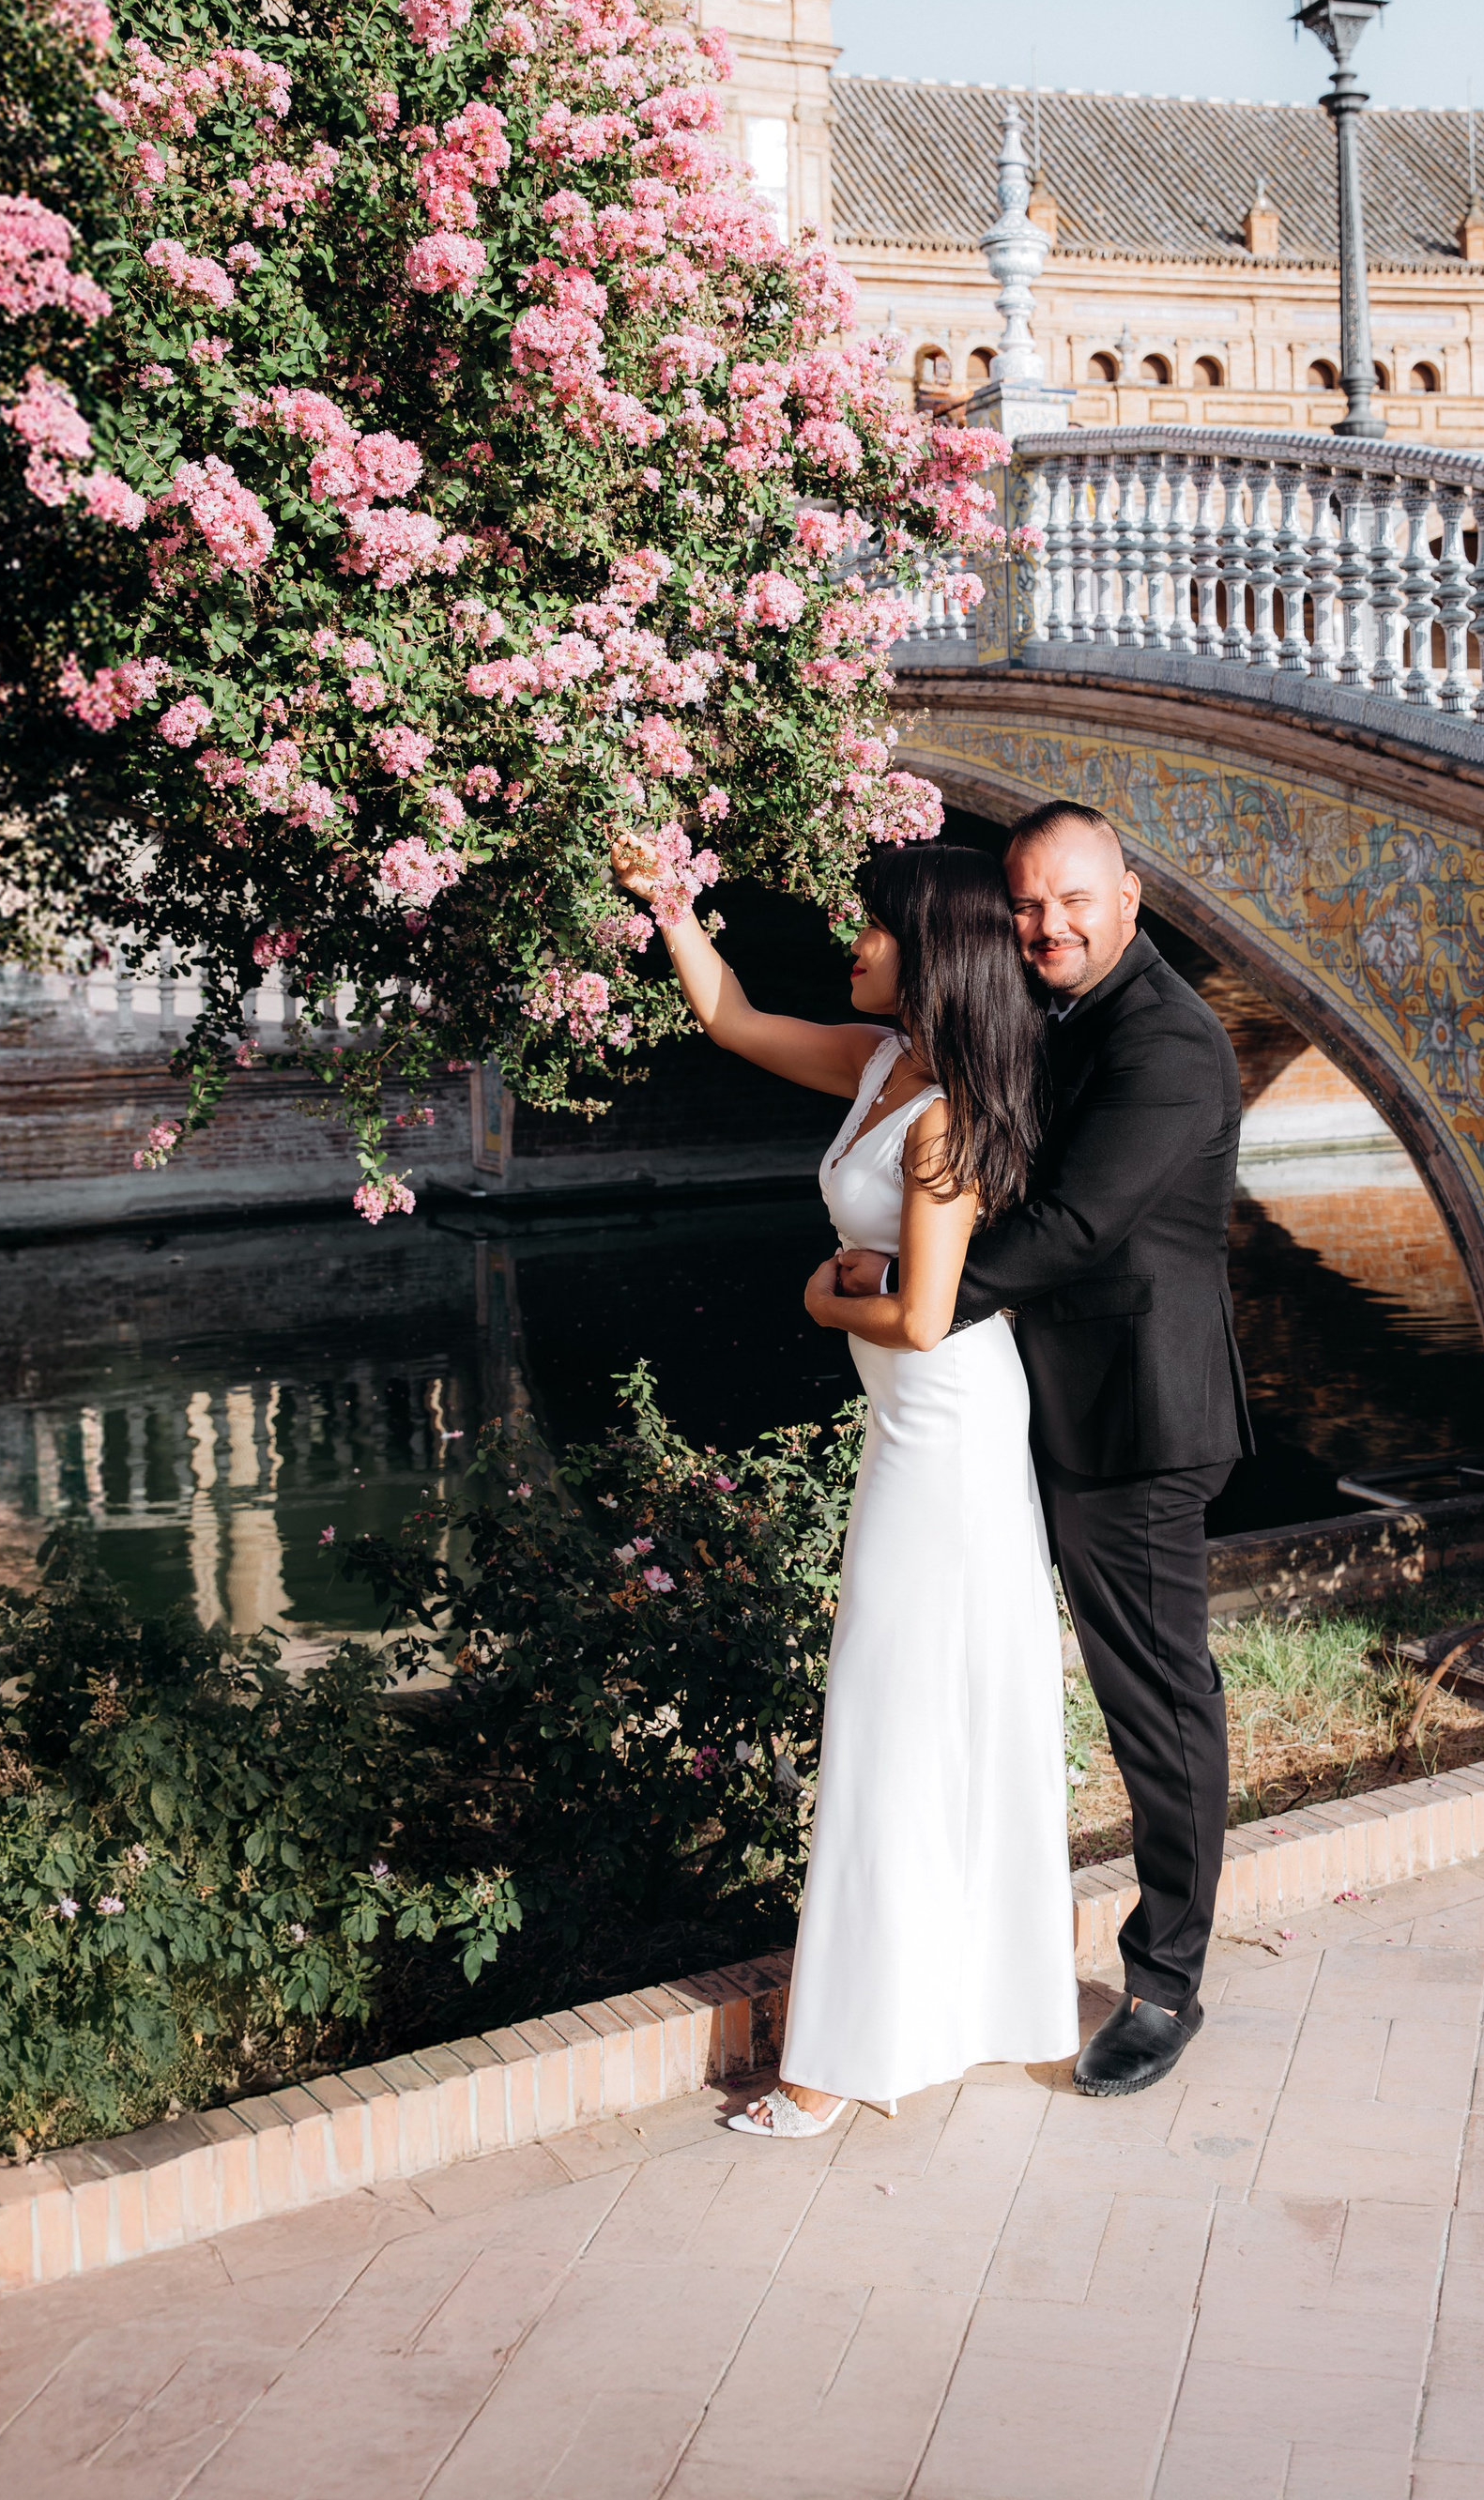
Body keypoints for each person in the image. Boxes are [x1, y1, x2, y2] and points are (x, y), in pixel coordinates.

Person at [613, 835, 1079, 2132]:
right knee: (915, 1711)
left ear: (930, 955)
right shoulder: (882, 1065)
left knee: (883, 1712)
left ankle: (834, 2059)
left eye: (871, 932)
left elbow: (924, 1313)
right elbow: (730, 1015)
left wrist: (822, 1299)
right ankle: (955, 2009)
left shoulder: (949, 1117)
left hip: (953, 1437)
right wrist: (665, 898)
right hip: (911, 1433)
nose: (852, 948)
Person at [839, 801, 1249, 2097]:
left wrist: (908, 1292)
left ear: (1131, 894)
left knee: (1155, 1699)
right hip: (1034, 1407)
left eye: (1071, 899)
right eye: (1022, 906)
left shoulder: (1171, 1045)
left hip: (1136, 1420)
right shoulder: (1046, 1008)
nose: (1045, 926)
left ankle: (1167, 1983)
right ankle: (972, 1943)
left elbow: (1071, 1227)